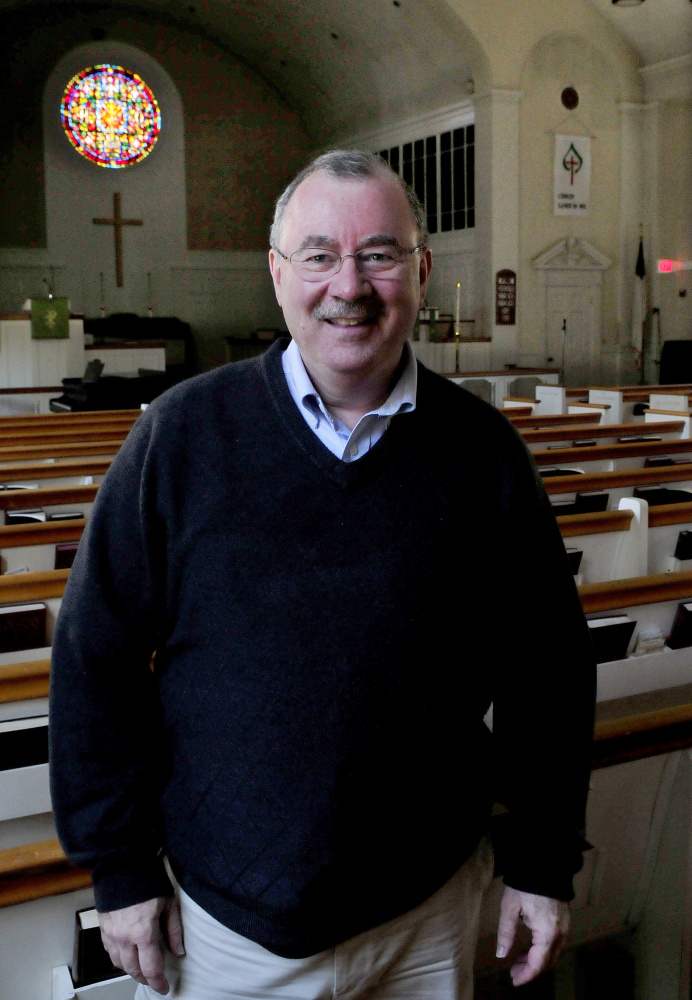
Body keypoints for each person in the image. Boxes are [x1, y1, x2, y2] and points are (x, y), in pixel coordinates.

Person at [49, 150, 596, 1000]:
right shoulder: (180, 437)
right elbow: (96, 663)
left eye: (379, 254)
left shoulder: (483, 453)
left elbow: (548, 673)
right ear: (277, 274)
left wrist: (543, 862)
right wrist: (118, 870)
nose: (350, 285)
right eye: (319, 255)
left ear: (419, 272)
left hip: (429, 910)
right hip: (234, 924)